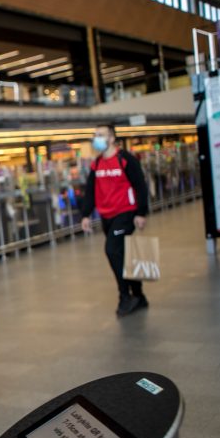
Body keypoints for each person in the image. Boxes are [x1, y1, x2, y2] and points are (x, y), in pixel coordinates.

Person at [80, 124, 150, 317]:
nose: (96, 139)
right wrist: (86, 214)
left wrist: (141, 213)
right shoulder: (97, 163)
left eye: (100, 135)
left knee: (112, 250)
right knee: (125, 254)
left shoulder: (125, 159)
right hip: (106, 216)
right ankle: (139, 295)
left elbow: (140, 186)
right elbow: (90, 191)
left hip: (125, 214)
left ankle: (124, 296)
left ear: (111, 139)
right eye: (95, 135)